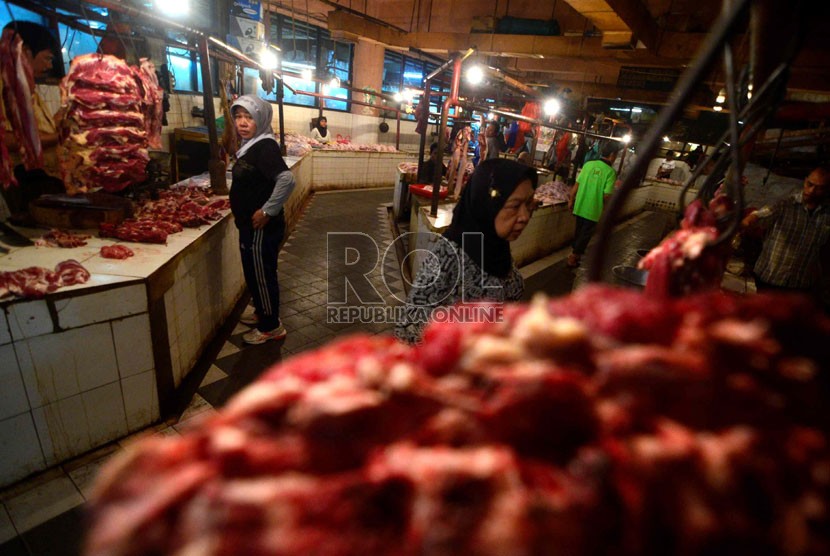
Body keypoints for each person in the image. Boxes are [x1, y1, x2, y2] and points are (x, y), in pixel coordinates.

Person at [395, 158, 538, 344]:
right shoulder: (449, 255)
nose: (525, 216)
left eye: (529, 204)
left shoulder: (496, 248)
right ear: (486, 204)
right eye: (514, 206)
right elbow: (408, 327)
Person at [230, 95, 296, 345]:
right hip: (250, 226)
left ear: (261, 119)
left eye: (249, 117)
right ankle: (261, 311)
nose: (243, 123)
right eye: (238, 117)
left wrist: (268, 210)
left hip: (260, 227)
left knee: (261, 274)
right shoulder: (252, 144)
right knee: (254, 271)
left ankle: (270, 326)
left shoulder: (264, 147)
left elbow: (286, 180)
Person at [1, 21, 64, 223]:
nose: (49, 66)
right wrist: (58, 137)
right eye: (47, 58)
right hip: (24, 182)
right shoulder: (7, 88)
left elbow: (40, 129)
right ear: (25, 52)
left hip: (44, 180)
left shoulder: (28, 89)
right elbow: (7, 141)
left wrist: (65, 116)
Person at [742, 166, 830, 302]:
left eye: (819, 188)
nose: (812, 191)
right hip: (770, 278)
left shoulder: (827, 215)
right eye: (810, 184)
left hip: (800, 285)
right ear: (805, 181)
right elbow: (762, 214)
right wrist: (748, 220)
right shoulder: (785, 204)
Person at [566, 141, 619, 268]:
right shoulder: (610, 172)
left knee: (579, 232)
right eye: (616, 155)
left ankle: (575, 255)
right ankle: (573, 257)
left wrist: (571, 199)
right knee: (585, 235)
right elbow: (606, 195)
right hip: (593, 209)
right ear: (612, 155)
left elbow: (577, 184)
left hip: (580, 206)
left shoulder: (588, 165)